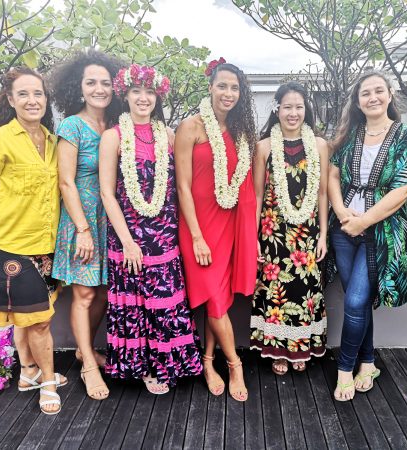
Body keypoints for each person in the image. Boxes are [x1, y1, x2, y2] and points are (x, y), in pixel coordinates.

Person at [99, 64, 202, 394]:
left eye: (149, 92)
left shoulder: (168, 135)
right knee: (136, 304)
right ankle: (142, 367)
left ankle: (168, 362)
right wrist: (128, 242)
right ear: (125, 95)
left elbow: (183, 183)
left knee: (165, 302)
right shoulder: (112, 137)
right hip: (128, 236)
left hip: (164, 234)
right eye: (136, 92)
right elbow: (106, 192)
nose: (143, 98)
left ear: (157, 97)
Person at [0, 67, 66, 415]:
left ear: (45, 99)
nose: (32, 100)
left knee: (29, 318)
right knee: (38, 321)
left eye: (38, 93)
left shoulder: (53, 141)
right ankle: (49, 382)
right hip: (13, 246)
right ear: (10, 100)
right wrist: (16, 205)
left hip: (49, 246)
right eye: (23, 94)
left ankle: (28, 371)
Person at [328, 71, 407, 401]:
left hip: (380, 233)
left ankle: (345, 370)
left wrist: (364, 220)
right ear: (357, 101)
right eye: (365, 93)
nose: (372, 97)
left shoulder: (405, 134)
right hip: (343, 230)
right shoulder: (351, 133)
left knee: (355, 301)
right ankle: (368, 363)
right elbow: (334, 173)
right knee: (358, 300)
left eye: (378, 91)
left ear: (389, 95)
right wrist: (342, 213)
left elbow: (406, 187)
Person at [174, 59, 257, 401]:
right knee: (214, 297)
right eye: (222, 86)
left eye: (234, 88)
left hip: (229, 224)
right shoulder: (191, 127)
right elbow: (182, 186)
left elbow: (244, 185)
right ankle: (235, 363)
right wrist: (195, 236)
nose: (228, 93)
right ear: (210, 87)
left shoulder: (240, 132)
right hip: (199, 225)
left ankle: (208, 361)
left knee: (216, 300)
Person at [49, 50, 123, 401]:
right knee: (85, 293)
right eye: (91, 82)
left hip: (113, 218)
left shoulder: (115, 125)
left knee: (106, 291)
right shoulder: (72, 126)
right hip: (83, 218)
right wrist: (82, 228)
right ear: (79, 88)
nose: (99, 89)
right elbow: (66, 182)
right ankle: (88, 366)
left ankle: (84, 349)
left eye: (105, 83)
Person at [250, 82, 329, 375]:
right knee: (276, 291)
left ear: (306, 109)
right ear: (277, 109)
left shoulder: (319, 145)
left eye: (298, 107)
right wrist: (253, 237)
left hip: (307, 233)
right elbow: (258, 194)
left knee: (304, 291)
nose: (293, 113)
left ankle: (301, 347)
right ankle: (277, 350)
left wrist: (323, 234)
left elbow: (322, 193)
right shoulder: (264, 147)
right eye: (287, 107)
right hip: (273, 232)